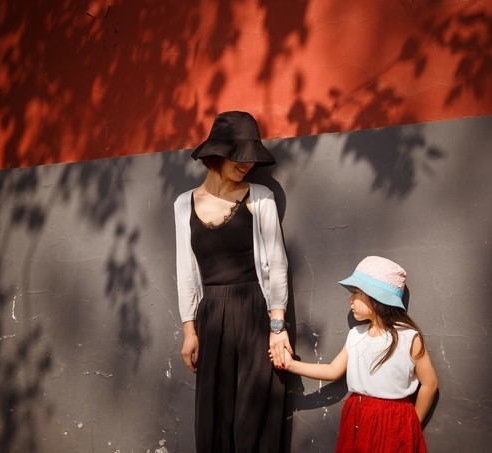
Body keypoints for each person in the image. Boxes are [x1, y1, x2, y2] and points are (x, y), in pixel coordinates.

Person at [174, 110, 292, 453]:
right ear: (216, 154)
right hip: (211, 317)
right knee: (215, 414)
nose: (247, 164)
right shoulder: (183, 204)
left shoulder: (260, 197)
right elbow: (186, 269)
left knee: (254, 414)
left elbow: (278, 264)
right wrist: (189, 329)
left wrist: (277, 325)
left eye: (250, 157)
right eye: (238, 156)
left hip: (255, 311)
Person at [271, 256, 438, 453]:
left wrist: (412, 425)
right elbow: (333, 370)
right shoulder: (356, 335)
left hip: (395, 421)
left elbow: (430, 384)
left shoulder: (409, 338)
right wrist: (290, 364)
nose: (350, 299)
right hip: (357, 419)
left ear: (377, 297)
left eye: (356, 292)